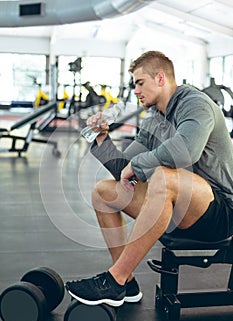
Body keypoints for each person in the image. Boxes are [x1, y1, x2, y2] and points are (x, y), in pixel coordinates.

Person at [66, 50, 233, 307]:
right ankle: (127, 282)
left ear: (160, 78)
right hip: (181, 207)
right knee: (104, 193)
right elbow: (125, 169)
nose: (135, 90)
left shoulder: (195, 104)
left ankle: (114, 280)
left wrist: (140, 166)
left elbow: (186, 151)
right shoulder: (154, 118)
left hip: (220, 212)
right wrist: (101, 138)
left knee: (165, 178)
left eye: (139, 83)